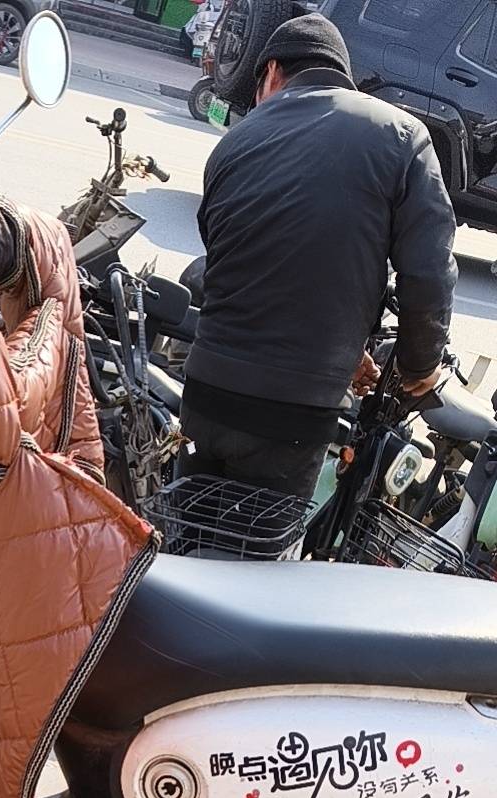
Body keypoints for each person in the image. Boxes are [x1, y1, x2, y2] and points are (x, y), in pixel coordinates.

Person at [181, 12, 457, 501]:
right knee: (260, 540)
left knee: (190, 530)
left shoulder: (237, 140)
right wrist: (419, 366)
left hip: (205, 392)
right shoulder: (402, 135)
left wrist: (349, 353)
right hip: (294, 412)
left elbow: (234, 262)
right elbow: (428, 273)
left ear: (271, 72)